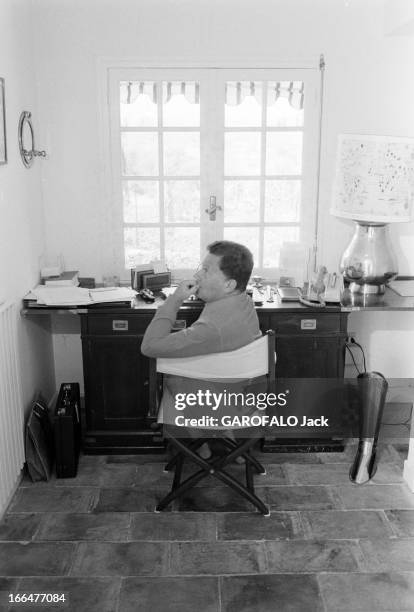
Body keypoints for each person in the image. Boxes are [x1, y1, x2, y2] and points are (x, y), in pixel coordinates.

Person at [141, 240, 261, 359]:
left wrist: (176, 299)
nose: (197, 275)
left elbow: (150, 347)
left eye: (206, 270)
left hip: (212, 376)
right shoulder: (244, 299)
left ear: (229, 285)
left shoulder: (211, 329)